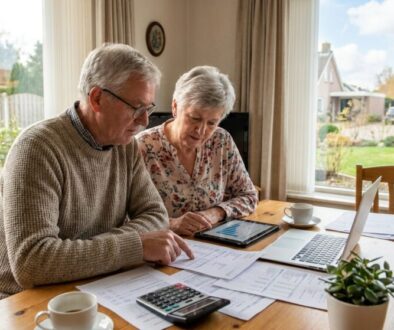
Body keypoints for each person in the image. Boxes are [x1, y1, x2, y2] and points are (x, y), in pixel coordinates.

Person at [0, 43, 193, 300]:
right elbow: (32, 263)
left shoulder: (125, 146)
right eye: (136, 108)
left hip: (98, 284)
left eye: (148, 109)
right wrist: (134, 246)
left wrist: (92, 252)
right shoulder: (36, 149)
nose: (144, 121)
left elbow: (155, 215)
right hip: (29, 301)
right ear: (97, 98)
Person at [137, 66, 258, 236]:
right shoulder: (141, 148)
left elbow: (249, 197)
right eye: (195, 118)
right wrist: (171, 224)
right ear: (175, 106)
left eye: (211, 123)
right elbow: (125, 218)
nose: (200, 131)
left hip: (214, 248)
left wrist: (216, 213)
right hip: (162, 250)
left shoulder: (221, 141)